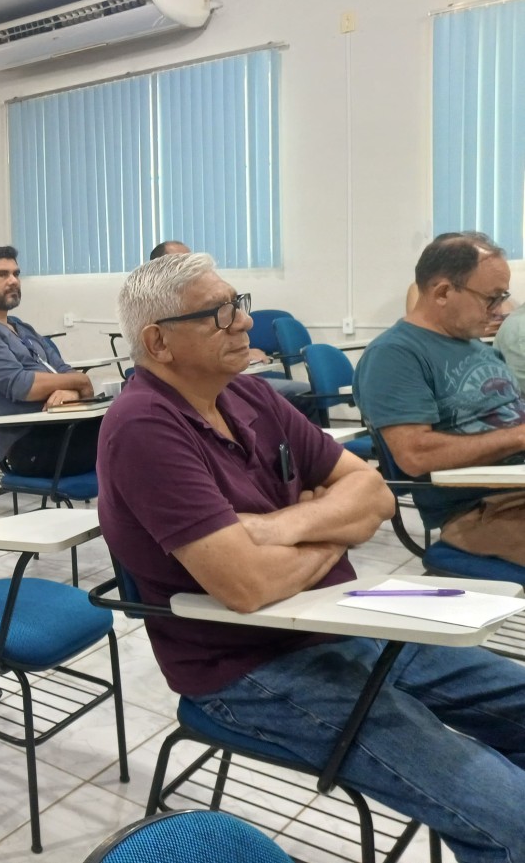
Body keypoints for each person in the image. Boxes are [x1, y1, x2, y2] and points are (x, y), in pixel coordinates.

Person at [98, 251, 525, 862]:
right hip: (251, 665)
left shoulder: (249, 395)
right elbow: (246, 587)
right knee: (512, 821)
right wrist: (335, 530)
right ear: (157, 341)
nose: (245, 323)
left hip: (344, 614)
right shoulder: (143, 426)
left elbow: (374, 492)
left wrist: (275, 530)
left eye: (236, 304)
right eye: (219, 314)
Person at [356, 232, 525, 566]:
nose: (498, 310)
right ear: (444, 292)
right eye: (490, 298)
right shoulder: (395, 355)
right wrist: (518, 437)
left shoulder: (478, 346)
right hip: (488, 508)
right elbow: (415, 455)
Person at [0, 245, 98, 477]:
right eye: (2, 274)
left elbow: (62, 369)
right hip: (28, 445)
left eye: (16, 274)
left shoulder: (21, 326)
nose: (13, 281)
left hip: (64, 426)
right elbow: (21, 386)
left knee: (135, 429)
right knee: (131, 439)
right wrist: (80, 382)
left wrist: (72, 393)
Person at [150, 239, 316, 418]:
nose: (246, 322)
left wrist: (243, 351)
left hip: (226, 382)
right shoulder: (154, 311)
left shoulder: (203, 298)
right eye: (182, 263)